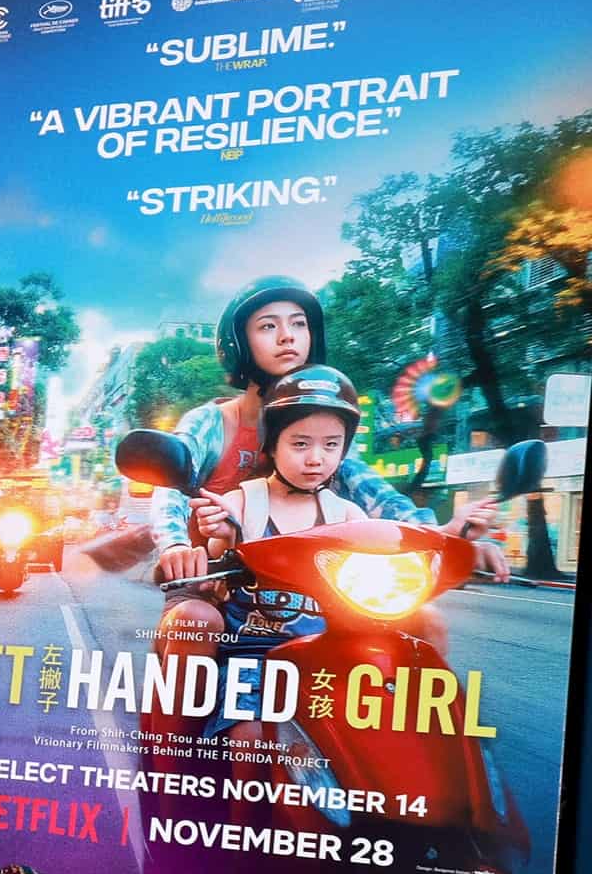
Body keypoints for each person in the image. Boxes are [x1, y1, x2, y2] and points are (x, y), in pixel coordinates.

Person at [147, 276, 501, 666]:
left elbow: (382, 502)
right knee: (194, 622)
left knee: (423, 622)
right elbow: (170, 491)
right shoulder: (212, 423)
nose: (288, 337)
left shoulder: (322, 430)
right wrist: (177, 548)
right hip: (209, 580)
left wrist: (454, 538)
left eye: (299, 324)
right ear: (238, 343)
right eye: (268, 325)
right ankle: (172, 727)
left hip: (309, 587)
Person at [190, 365, 495, 736]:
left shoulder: (347, 513)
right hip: (255, 653)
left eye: (331, 444)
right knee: (249, 737)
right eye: (300, 444)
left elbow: (398, 542)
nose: (316, 458)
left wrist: (456, 534)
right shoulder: (241, 501)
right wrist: (219, 530)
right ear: (271, 444)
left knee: (389, 729)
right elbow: (220, 543)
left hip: (331, 652)